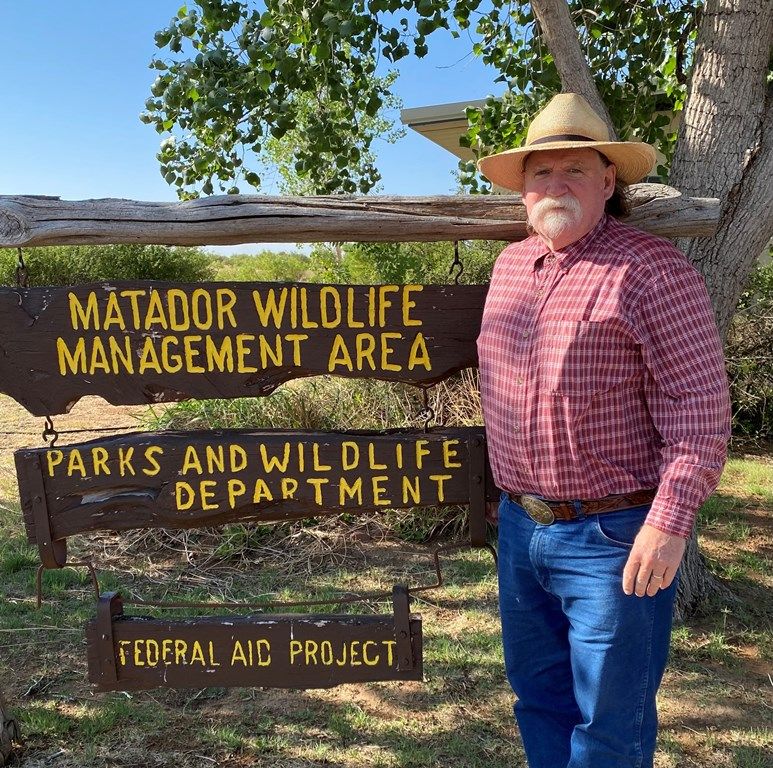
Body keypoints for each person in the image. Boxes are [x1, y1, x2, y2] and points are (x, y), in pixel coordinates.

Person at [475, 93, 731, 768]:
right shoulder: (508, 268)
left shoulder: (650, 268)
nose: (555, 185)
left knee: (608, 728)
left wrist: (669, 522)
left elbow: (700, 406)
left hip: (612, 537)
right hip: (520, 528)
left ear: (608, 180)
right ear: (523, 188)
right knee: (538, 700)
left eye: (575, 170)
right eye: (541, 172)